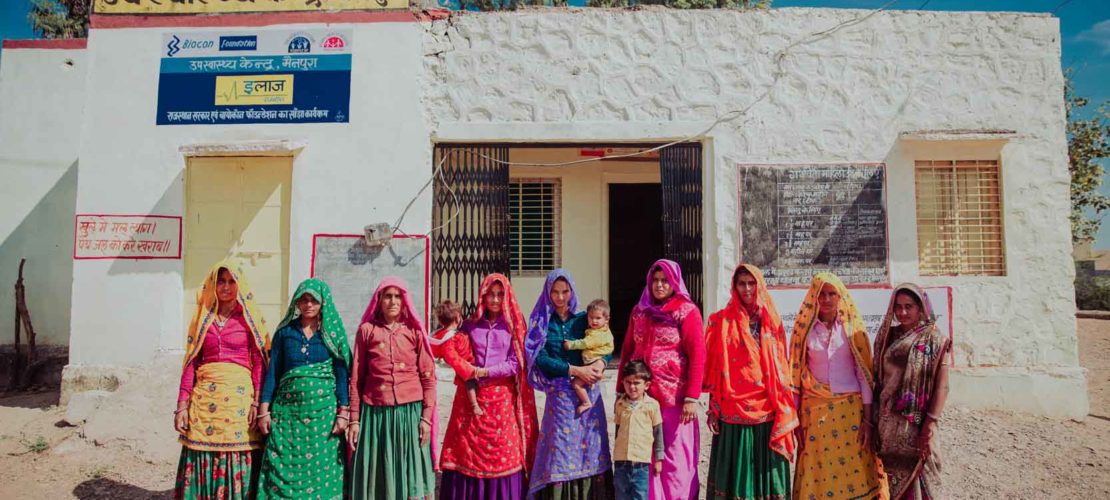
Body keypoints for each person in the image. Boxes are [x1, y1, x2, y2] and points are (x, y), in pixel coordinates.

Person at [174, 261, 270, 499]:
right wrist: (182, 406)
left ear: (239, 285)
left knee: (238, 450)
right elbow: (191, 363)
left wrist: (257, 403)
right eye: (221, 281)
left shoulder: (248, 319)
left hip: (238, 398)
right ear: (213, 285)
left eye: (231, 281)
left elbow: (259, 363)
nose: (226, 287)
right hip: (205, 396)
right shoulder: (202, 319)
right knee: (199, 446)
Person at [789, 272, 888, 500]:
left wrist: (867, 420)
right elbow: (795, 376)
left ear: (840, 296)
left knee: (855, 468)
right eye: (821, 294)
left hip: (850, 413)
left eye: (832, 293)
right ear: (813, 296)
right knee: (816, 468)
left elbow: (863, 375)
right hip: (814, 412)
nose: (826, 299)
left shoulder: (852, 329)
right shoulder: (804, 331)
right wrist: (795, 421)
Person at [439, 273, 539, 499]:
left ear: (507, 297)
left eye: (500, 295)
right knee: (465, 450)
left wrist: (486, 372)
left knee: (504, 451)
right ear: (482, 296)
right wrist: (462, 366)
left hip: (501, 400)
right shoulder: (471, 326)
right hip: (470, 398)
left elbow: (516, 363)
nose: (494, 300)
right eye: (490, 294)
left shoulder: (514, 326)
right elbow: (454, 349)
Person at [703, 264, 797, 500]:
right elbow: (716, 369)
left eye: (751, 283)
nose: (747, 289)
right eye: (741, 283)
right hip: (732, 409)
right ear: (734, 287)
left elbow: (780, 365)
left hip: (767, 407)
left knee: (766, 471)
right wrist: (713, 407)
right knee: (737, 473)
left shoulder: (771, 321)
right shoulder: (721, 322)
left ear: (759, 286)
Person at [617, 259, 706, 500]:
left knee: (674, 458)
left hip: (674, 401)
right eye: (655, 280)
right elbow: (627, 349)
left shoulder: (686, 311)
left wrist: (691, 398)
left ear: (674, 282)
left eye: (665, 280)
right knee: (645, 455)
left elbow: (698, 355)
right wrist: (620, 389)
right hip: (642, 399)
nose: (659, 285)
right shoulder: (640, 311)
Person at [255, 278, 350, 499]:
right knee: (283, 465)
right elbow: (273, 374)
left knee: (321, 471)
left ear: (322, 303)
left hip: (323, 417)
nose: (308, 304)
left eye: (313, 300)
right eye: (304, 300)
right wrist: (264, 411)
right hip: (287, 416)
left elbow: (341, 374)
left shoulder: (331, 334)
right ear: (297, 303)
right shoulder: (285, 333)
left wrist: (343, 412)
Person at [524, 269, 613, 499]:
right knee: (561, 449)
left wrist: (602, 364)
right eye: (555, 292)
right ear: (547, 292)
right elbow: (540, 359)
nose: (560, 297)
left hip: (589, 394)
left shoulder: (584, 318)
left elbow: (604, 344)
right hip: (560, 397)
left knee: (591, 446)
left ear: (572, 291)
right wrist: (574, 369)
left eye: (565, 291)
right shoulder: (541, 322)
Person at [346, 278, 438, 500]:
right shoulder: (367, 331)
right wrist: (355, 420)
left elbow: (428, 378)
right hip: (376, 414)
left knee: (410, 471)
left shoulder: (414, 331)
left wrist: (426, 419)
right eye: (387, 296)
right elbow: (357, 378)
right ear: (379, 301)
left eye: (398, 296)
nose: (393, 301)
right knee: (378, 473)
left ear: (404, 301)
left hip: (409, 414)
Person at [873, 284, 951, 499]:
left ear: (921, 308)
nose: (902, 312)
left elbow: (942, 385)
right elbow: (878, 379)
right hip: (888, 423)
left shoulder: (934, 339)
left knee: (918, 475)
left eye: (909, 306)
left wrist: (930, 422)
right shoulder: (887, 336)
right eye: (898, 307)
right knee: (888, 477)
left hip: (916, 423)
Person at [613, 360, 664, 500]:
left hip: (641, 465)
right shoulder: (620, 404)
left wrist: (659, 459)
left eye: (636, 383)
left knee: (640, 496)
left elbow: (658, 433)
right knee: (620, 495)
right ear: (623, 382)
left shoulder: (652, 406)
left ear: (646, 385)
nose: (632, 387)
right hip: (621, 463)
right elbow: (618, 430)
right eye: (628, 382)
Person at [430, 299, 483, 415]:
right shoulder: (449, 338)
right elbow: (453, 358)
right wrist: (469, 370)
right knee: (471, 383)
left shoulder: (454, 333)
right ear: (457, 318)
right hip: (467, 368)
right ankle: (474, 405)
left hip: (469, 363)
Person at [563, 299, 615, 414]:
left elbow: (586, 343)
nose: (594, 321)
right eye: (591, 317)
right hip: (591, 362)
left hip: (593, 363)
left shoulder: (599, 334)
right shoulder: (598, 330)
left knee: (576, 384)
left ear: (606, 319)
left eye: (598, 318)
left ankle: (586, 402)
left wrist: (570, 344)